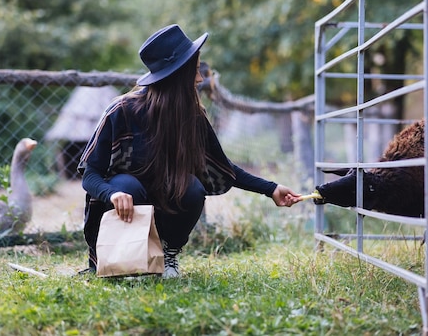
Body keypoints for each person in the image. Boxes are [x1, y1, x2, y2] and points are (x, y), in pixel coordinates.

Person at [78, 24, 302, 278]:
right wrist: (112, 193)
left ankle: (167, 254)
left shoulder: (192, 116)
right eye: (195, 71)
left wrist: (271, 188)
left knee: (192, 188)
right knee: (127, 186)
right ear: (177, 75)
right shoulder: (121, 111)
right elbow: (90, 175)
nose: (200, 79)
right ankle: (124, 259)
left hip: (161, 208)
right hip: (121, 212)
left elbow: (223, 167)